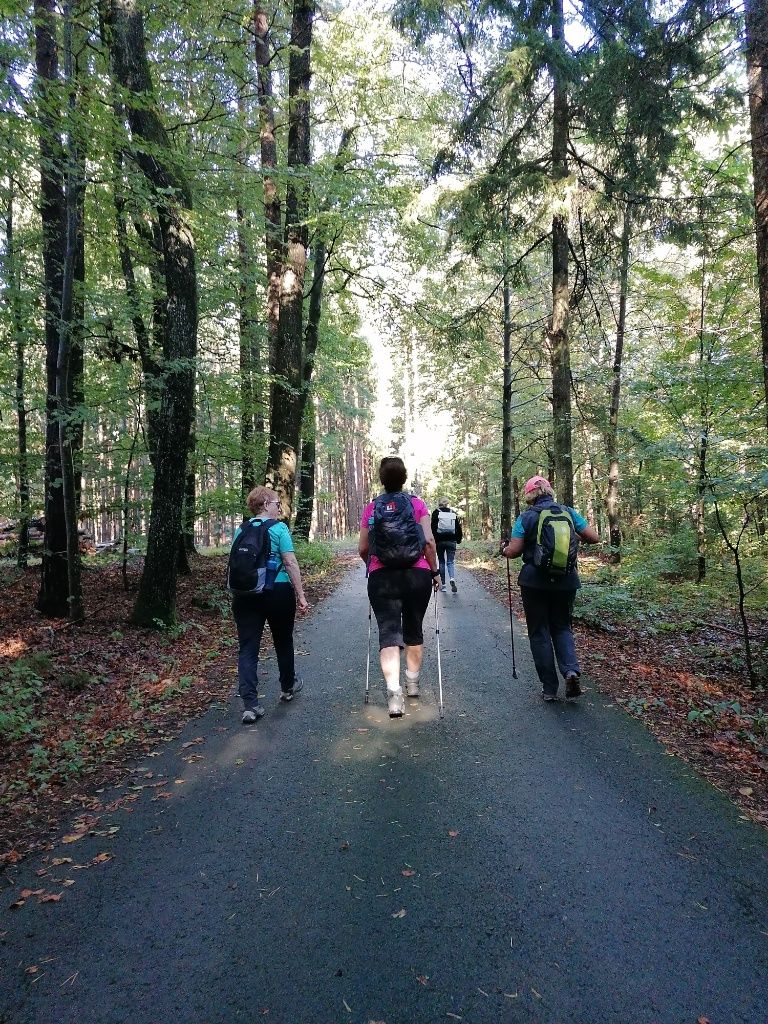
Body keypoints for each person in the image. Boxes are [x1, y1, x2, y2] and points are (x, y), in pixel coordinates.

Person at [501, 475, 599, 701]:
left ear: (529, 496)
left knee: (539, 631)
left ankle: (549, 689)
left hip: (534, 582)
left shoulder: (525, 517)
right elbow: (594, 537)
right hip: (566, 580)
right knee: (562, 627)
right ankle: (571, 671)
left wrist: (505, 550)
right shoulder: (568, 513)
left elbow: (514, 551)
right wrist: (571, 538)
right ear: (549, 491)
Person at [359, 457, 440, 717]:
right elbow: (428, 541)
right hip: (417, 576)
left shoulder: (371, 508)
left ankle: (394, 696)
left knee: (389, 634)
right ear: (404, 478)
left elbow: (363, 548)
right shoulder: (417, 504)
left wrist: (372, 565)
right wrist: (435, 571)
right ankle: (413, 684)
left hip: (382, 578)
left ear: (381, 479)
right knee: (414, 630)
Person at [230, 486, 309, 724]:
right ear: (265, 504)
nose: (279, 507)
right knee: (283, 640)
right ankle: (287, 687)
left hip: (245, 595)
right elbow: (290, 562)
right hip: (278, 591)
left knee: (247, 647)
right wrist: (301, 595)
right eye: (276, 503)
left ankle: (250, 705)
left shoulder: (241, 529)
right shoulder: (279, 528)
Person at [431, 497, 463, 593]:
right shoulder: (452, 512)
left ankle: (443, 585)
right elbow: (458, 527)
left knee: (441, 561)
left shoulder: (436, 512)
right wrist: (458, 539)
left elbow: (433, 527)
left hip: (439, 541)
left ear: (439, 503)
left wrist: (434, 540)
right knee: (450, 562)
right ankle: (452, 578)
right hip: (451, 540)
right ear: (447, 503)